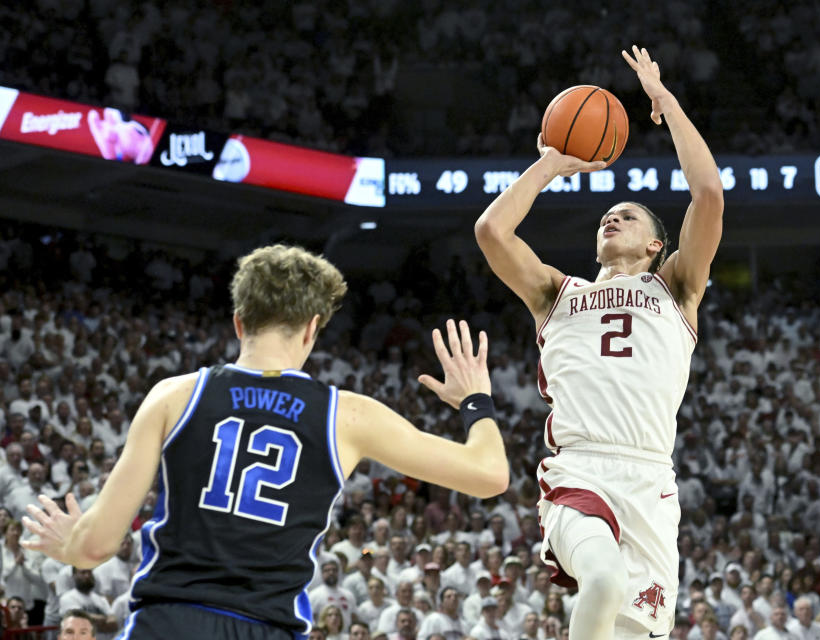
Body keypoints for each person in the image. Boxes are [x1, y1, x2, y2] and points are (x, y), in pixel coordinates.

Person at [21, 244, 510, 639]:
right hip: (267, 626)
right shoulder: (349, 416)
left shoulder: (174, 396)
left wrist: (71, 545)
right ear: (312, 328)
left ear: (239, 321)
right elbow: (489, 475)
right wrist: (475, 399)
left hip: (169, 621)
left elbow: (95, 546)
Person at [474, 45, 723, 640]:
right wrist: (550, 165)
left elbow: (709, 194)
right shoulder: (557, 294)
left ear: (655, 247)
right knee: (604, 584)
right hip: (580, 469)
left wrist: (666, 102)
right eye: (606, 216)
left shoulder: (676, 289)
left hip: (649, 480)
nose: (612, 219)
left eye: (628, 216)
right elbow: (491, 230)